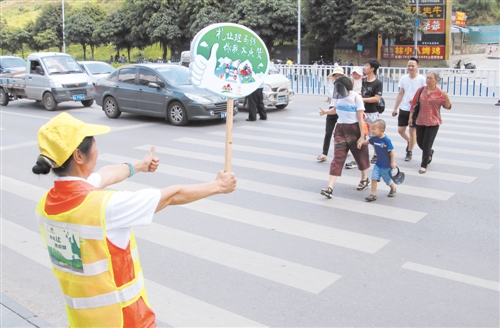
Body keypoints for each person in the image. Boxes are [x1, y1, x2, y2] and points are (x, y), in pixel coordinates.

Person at [32, 113, 237, 328]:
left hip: (82, 321)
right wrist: (219, 186)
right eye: (93, 142)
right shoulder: (105, 207)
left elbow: (104, 175)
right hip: (125, 320)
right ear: (78, 156)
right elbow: (171, 195)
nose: (96, 148)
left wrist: (139, 166)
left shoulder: (44, 205)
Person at [319, 76, 371, 198]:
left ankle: (364, 179)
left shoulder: (356, 98)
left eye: (340, 88)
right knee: (338, 158)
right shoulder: (338, 98)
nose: (338, 91)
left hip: (355, 129)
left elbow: (360, 118)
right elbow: (335, 110)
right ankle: (330, 188)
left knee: (360, 155)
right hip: (340, 129)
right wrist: (325, 112)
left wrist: (362, 136)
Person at [409, 71, 452, 174]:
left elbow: (448, 107)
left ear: (436, 80)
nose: (427, 80)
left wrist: (447, 98)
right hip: (420, 120)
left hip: (433, 122)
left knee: (427, 144)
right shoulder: (421, 90)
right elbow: (414, 104)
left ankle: (423, 165)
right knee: (420, 142)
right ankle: (429, 152)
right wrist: (411, 117)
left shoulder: (440, 93)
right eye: (427, 78)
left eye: (430, 78)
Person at [391, 57, 426, 162]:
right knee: (401, 130)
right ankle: (410, 141)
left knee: (412, 130)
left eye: (412, 66)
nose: (410, 67)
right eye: (409, 65)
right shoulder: (404, 78)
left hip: (415, 109)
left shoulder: (422, 79)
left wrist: (416, 99)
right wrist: (395, 108)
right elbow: (401, 93)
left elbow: (424, 94)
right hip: (404, 108)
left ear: (417, 67)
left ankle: (409, 151)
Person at [361, 119, 397, 202]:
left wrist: (392, 162)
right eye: (371, 129)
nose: (371, 131)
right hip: (378, 164)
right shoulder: (375, 139)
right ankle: (373, 194)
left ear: (381, 130)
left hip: (386, 166)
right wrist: (361, 142)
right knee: (374, 178)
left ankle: (393, 188)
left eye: (374, 129)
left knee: (388, 180)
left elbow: (392, 151)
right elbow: (367, 142)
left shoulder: (386, 140)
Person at [317, 67, 344, 162]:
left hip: (342, 110)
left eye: (339, 75)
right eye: (335, 75)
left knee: (342, 133)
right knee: (328, 132)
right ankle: (324, 153)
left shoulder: (345, 87)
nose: (337, 77)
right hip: (332, 108)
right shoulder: (331, 85)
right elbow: (330, 98)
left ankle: (344, 152)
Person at [361, 59, 383, 164]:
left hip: (372, 112)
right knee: (361, 133)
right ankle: (361, 154)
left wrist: (362, 99)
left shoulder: (378, 83)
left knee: (373, 134)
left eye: (367, 66)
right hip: (361, 111)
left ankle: (376, 154)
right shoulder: (362, 81)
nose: (365, 68)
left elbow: (376, 98)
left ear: (372, 69)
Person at [344, 66, 364, 169]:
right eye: (354, 74)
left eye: (357, 74)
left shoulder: (363, 82)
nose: (356, 76)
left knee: (361, 132)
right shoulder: (351, 82)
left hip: (360, 105)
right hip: (353, 106)